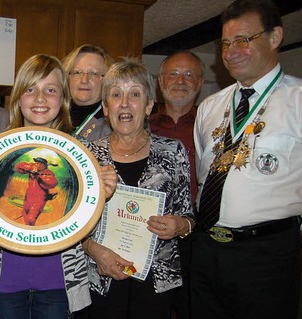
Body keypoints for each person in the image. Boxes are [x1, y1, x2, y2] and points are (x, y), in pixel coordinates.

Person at [0, 54, 117, 318]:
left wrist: (102, 197)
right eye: (30, 89)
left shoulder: (82, 156)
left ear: (62, 99)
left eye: (50, 90)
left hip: (59, 284)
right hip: (3, 283)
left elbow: (86, 228)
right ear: (18, 98)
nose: (40, 98)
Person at [192, 1, 302, 318]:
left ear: (275, 37)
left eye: (243, 40)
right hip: (206, 249)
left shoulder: (297, 101)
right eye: (225, 43)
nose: (231, 52)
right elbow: (205, 172)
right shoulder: (210, 106)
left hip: (266, 257)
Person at [82, 58, 194, 319]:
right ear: (105, 107)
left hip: (156, 282)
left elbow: (189, 216)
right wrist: (94, 250)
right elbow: (71, 226)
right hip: (101, 277)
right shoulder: (86, 155)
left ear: (148, 106)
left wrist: (180, 225)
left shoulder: (173, 151)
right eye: (116, 94)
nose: (124, 103)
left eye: (135, 94)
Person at [150, 50, 204, 319]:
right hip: (150, 233)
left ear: (201, 82)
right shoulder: (142, 125)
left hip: (199, 237)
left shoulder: (212, 125)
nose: (180, 80)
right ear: (161, 81)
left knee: (192, 306)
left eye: (189, 75)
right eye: (173, 73)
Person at [62, 44, 113, 140]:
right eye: (77, 72)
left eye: (93, 73)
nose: (84, 80)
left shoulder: (113, 126)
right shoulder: (54, 117)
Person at [15, 157, 59, 226]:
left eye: (39, 163)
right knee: (25, 213)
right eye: (36, 163)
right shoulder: (33, 167)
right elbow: (18, 167)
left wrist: (39, 178)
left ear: (44, 165)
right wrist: (28, 169)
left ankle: (31, 230)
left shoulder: (49, 174)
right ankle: (28, 229)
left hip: (39, 198)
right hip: (29, 196)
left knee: (31, 218)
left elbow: (52, 184)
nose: (36, 165)